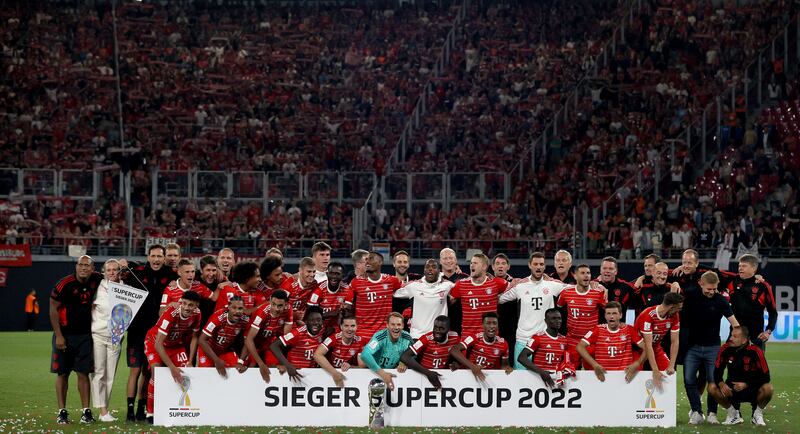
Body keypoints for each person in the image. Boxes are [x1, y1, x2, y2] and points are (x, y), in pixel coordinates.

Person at [122, 244, 174, 423]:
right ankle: (129, 410)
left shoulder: (171, 275)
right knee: (134, 371)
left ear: (164, 258)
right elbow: (120, 277)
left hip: (156, 333)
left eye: (160, 256)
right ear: (148, 257)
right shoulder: (137, 272)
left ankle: (141, 408)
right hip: (136, 331)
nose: (157, 259)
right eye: (153, 256)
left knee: (148, 371)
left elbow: (188, 276)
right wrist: (124, 263)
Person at [50, 255, 103, 424]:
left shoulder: (98, 280)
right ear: (76, 266)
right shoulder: (64, 284)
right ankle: (62, 412)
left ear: (93, 268)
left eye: (87, 265)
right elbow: (53, 309)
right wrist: (58, 335)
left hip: (86, 336)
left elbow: (114, 277)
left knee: (83, 373)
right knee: (62, 373)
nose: (84, 268)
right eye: (81, 265)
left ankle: (86, 412)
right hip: (64, 335)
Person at [683, 272, 740, 425]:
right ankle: (697, 412)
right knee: (689, 379)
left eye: (714, 289)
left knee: (713, 381)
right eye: (709, 288)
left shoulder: (721, 301)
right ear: (701, 283)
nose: (711, 292)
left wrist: (731, 343)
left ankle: (712, 413)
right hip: (692, 347)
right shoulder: (689, 296)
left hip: (713, 347)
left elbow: (735, 324)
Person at [498, 252, 569, 368]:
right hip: (523, 339)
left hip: (544, 341)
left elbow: (575, 289)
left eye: (541, 264)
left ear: (545, 266)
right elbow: (499, 299)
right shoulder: (521, 286)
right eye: (535, 264)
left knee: (544, 379)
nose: (538, 267)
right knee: (522, 380)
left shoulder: (552, 285)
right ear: (529, 265)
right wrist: (510, 285)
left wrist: (596, 284)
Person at [143, 291, 202, 424]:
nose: (186, 307)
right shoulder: (171, 314)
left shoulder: (197, 314)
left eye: (190, 305)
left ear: (196, 306)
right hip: (155, 342)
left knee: (186, 373)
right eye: (184, 303)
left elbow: (194, 337)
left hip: (175, 345)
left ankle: (181, 410)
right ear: (181, 302)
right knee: (156, 372)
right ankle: (150, 413)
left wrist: (190, 361)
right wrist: (172, 367)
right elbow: (158, 343)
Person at [708, 326, 773, 426]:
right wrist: (721, 384)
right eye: (731, 335)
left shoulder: (755, 351)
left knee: (768, 388)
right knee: (712, 387)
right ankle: (733, 414)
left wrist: (746, 384)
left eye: (735, 336)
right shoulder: (725, 349)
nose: (730, 338)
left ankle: (757, 414)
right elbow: (717, 372)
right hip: (732, 390)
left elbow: (766, 376)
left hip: (752, 389)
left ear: (743, 340)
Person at [576, 301, 646, 383]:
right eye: (608, 313)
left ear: (620, 315)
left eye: (614, 313)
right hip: (604, 377)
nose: (611, 316)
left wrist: (638, 363)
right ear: (605, 316)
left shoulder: (629, 329)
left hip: (624, 377)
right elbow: (579, 347)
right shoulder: (597, 329)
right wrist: (594, 365)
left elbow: (647, 348)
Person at [91, 259, 123, 422]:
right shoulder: (97, 287)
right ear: (103, 272)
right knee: (99, 373)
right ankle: (103, 411)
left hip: (116, 338)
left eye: (115, 270)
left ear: (120, 271)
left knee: (110, 375)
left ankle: (104, 410)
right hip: (98, 335)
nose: (111, 272)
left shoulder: (126, 289)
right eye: (108, 270)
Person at [556, 264, 607, 368]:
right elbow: (559, 309)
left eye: (588, 273)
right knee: (571, 373)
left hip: (591, 342)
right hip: (572, 341)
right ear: (575, 276)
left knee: (592, 374)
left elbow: (607, 311)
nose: (586, 276)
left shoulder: (597, 293)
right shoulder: (566, 293)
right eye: (582, 273)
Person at [449, 253, 509, 337]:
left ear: (484, 266)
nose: (471, 265)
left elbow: (515, 288)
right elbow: (447, 303)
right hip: (467, 337)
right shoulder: (461, 285)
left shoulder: (497, 283)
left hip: (489, 337)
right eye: (471, 263)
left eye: (475, 263)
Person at [726, 254, 777, 351]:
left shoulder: (763, 286)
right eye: (739, 266)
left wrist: (768, 331)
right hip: (735, 334)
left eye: (744, 266)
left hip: (755, 337)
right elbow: (714, 273)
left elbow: (773, 312)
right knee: (732, 365)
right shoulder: (732, 280)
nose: (740, 268)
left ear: (754, 268)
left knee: (756, 366)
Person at [240, 290, 292, 383]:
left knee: (276, 368)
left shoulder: (289, 310)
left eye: (280, 306)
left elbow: (285, 338)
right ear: (270, 301)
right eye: (273, 304)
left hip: (269, 341)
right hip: (253, 341)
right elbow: (249, 339)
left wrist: (283, 362)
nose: (276, 308)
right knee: (246, 367)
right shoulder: (262, 312)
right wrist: (261, 364)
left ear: (286, 304)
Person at [393, 259, 454, 339]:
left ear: (439, 271)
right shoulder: (413, 286)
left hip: (437, 336)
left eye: (434, 267)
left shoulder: (447, 286)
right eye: (427, 267)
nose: (430, 269)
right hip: (417, 336)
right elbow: (393, 293)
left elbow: (463, 289)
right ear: (424, 270)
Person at [634, 292, 684, 390]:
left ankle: (663, 404)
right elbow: (647, 346)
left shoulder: (675, 316)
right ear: (671, 307)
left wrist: (671, 365)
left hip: (655, 348)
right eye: (678, 308)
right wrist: (655, 370)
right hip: (638, 349)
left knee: (669, 375)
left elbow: (675, 341)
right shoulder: (648, 316)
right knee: (636, 376)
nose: (679, 311)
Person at [516, 308, 574, 389]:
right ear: (546, 321)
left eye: (559, 318)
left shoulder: (564, 340)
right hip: (538, 379)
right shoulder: (537, 337)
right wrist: (542, 372)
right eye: (554, 318)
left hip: (556, 381)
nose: (558, 321)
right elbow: (521, 358)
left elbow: (566, 361)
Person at [350, 252, 403, 339]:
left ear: (380, 262)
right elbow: (347, 306)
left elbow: (405, 288)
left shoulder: (391, 281)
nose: (367, 262)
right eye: (366, 259)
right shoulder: (356, 282)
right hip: (361, 334)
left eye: (370, 259)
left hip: (383, 335)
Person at [449, 312, 513, 381]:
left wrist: (507, 368)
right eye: (488, 323)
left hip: (488, 380)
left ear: (498, 326)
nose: (492, 326)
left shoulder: (503, 344)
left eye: (494, 323)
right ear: (483, 325)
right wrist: (473, 367)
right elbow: (454, 350)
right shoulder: (474, 338)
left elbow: (504, 365)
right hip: (470, 376)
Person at [401, 315, 460, 388]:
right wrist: (427, 373)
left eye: (441, 328)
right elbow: (404, 356)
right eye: (435, 327)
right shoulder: (426, 339)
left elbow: (458, 356)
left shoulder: (455, 337)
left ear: (448, 329)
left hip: (443, 377)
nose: (437, 331)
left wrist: (456, 363)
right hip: (423, 376)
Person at [359, 312, 413, 390]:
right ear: (387, 325)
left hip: (395, 375)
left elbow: (414, 355)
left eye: (398, 324)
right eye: (393, 324)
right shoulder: (380, 337)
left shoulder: (407, 338)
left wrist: (404, 362)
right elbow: (365, 354)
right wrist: (382, 374)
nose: (396, 327)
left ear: (403, 326)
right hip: (375, 373)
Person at [270, 306, 325, 381]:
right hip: (296, 374)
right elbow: (274, 346)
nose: (316, 323)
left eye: (318, 320)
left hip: (314, 374)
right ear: (306, 321)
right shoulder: (297, 333)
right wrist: (287, 365)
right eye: (312, 320)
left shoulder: (323, 331)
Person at [197, 296, 247, 377]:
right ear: (229, 307)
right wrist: (216, 360)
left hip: (225, 350)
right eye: (234, 308)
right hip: (208, 349)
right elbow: (201, 340)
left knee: (237, 372)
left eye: (240, 308)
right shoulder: (218, 318)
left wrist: (240, 361)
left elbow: (248, 341)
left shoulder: (245, 320)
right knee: (205, 376)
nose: (237, 311)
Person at [313, 315, 366, 387]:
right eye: (346, 326)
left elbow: (362, 366)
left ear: (357, 327)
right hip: (328, 376)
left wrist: (351, 367)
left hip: (348, 378)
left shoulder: (360, 341)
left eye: (352, 326)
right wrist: (334, 373)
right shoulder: (332, 339)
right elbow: (317, 355)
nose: (349, 329)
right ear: (341, 327)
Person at [307, 262, 353, 335]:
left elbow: (348, 314)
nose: (334, 276)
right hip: (319, 327)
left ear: (342, 275)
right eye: (331, 273)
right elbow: (310, 315)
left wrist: (335, 328)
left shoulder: (348, 290)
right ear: (327, 274)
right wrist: (331, 313)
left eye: (337, 274)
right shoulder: (319, 289)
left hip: (338, 330)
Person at [492, 253, 518, 360]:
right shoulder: (487, 282)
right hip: (493, 327)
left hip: (511, 329)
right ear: (493, 267)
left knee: (510, 360)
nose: (500, 266)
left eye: (503, 263)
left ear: (508, 266)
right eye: (497, 263)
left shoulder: (517, 283)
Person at [283, 257, 320, 324]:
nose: (312, 275)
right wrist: (292, 315)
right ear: (300, 270)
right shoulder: (289, 283)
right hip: (287, 320)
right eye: (309, 271)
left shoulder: (314, 284)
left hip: (304, 320)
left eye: (314, 272)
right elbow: (279, 305)